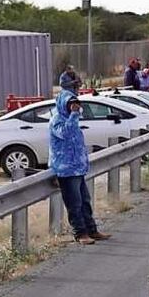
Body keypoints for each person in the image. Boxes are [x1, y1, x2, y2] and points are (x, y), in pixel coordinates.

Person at [49, 91, 109, 245]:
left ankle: (92, 230)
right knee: (74, 203)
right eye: (70, 104)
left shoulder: (73, 120)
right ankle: (80, 233)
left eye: (76, 103)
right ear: (63, 104)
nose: (74, 107)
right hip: (66, 170)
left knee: (85, 201)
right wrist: (74, 115)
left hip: (78, 168)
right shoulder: (57, 120)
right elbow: (65, 134)